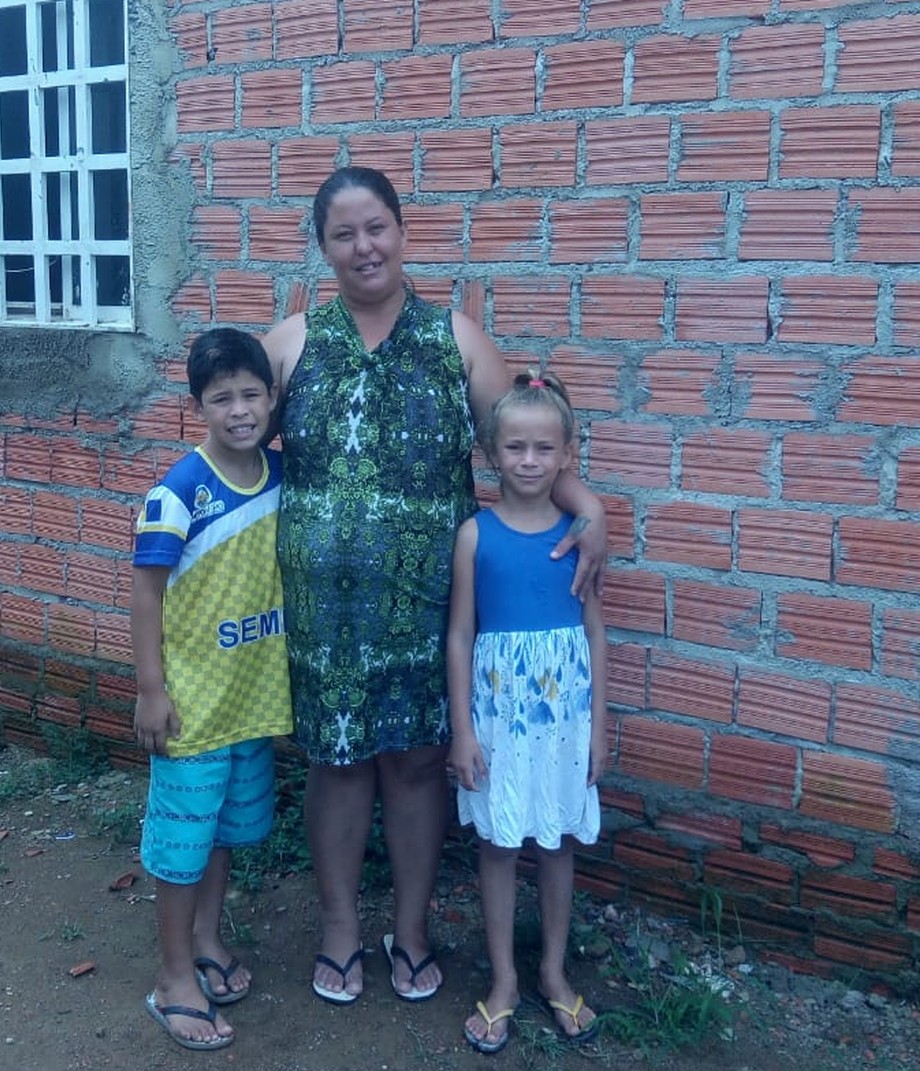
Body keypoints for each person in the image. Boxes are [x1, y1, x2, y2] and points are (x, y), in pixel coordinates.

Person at [262, 166, 607, 1005]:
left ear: (403, 231)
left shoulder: (454, 338)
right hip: (326, 612)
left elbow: (524, 440)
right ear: (323, 247)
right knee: (338, 765)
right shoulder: (292, 342)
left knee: (418, 767)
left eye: (376, 226)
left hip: (430, 607)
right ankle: (342, 930)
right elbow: (235, 441)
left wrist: (589, 507)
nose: (363, 246)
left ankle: (410, 931)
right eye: (343, 234)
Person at [131, 328, 291, 1050]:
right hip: (192, 703)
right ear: (198, 404)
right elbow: (145, 595)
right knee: (182, 841)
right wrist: (150, 688)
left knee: (222, 831)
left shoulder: (283, 477)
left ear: (272, 398)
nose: (238, 409)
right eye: (221, 397)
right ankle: (172, 978)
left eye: (251, 394)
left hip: (250, 700)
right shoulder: (177, 492)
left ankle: (205, 938)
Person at [447, 371, 607, 1054]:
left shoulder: (580, 534)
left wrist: (603, 721)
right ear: (490, 452)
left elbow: (595, 629)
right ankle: (505, 978)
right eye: (515, 447)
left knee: (558, 841)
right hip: (500, 717)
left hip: (565, 717)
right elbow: (459, 635)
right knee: (500, 844)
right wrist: (462, 729)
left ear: (567, 453)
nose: (530, 461)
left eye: (544, 448)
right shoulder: (474, 536)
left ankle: (551, 968)